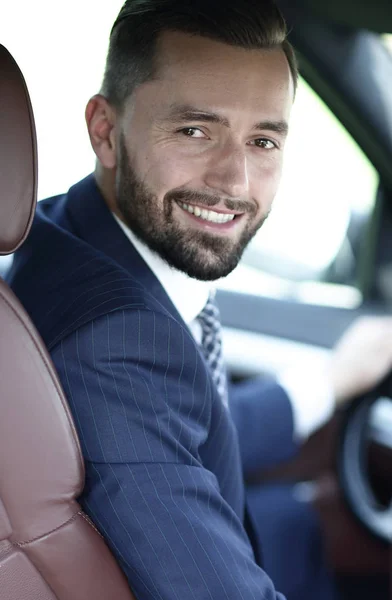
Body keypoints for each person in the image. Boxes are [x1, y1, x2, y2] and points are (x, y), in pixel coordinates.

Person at [7, 1, 392, 598]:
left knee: (308, 521)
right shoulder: (116, 340)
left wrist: (332, 380)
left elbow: (189, 421)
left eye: (263, 140)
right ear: (105, 131)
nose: (235, 180)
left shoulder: (63, 230)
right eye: (195, 131)